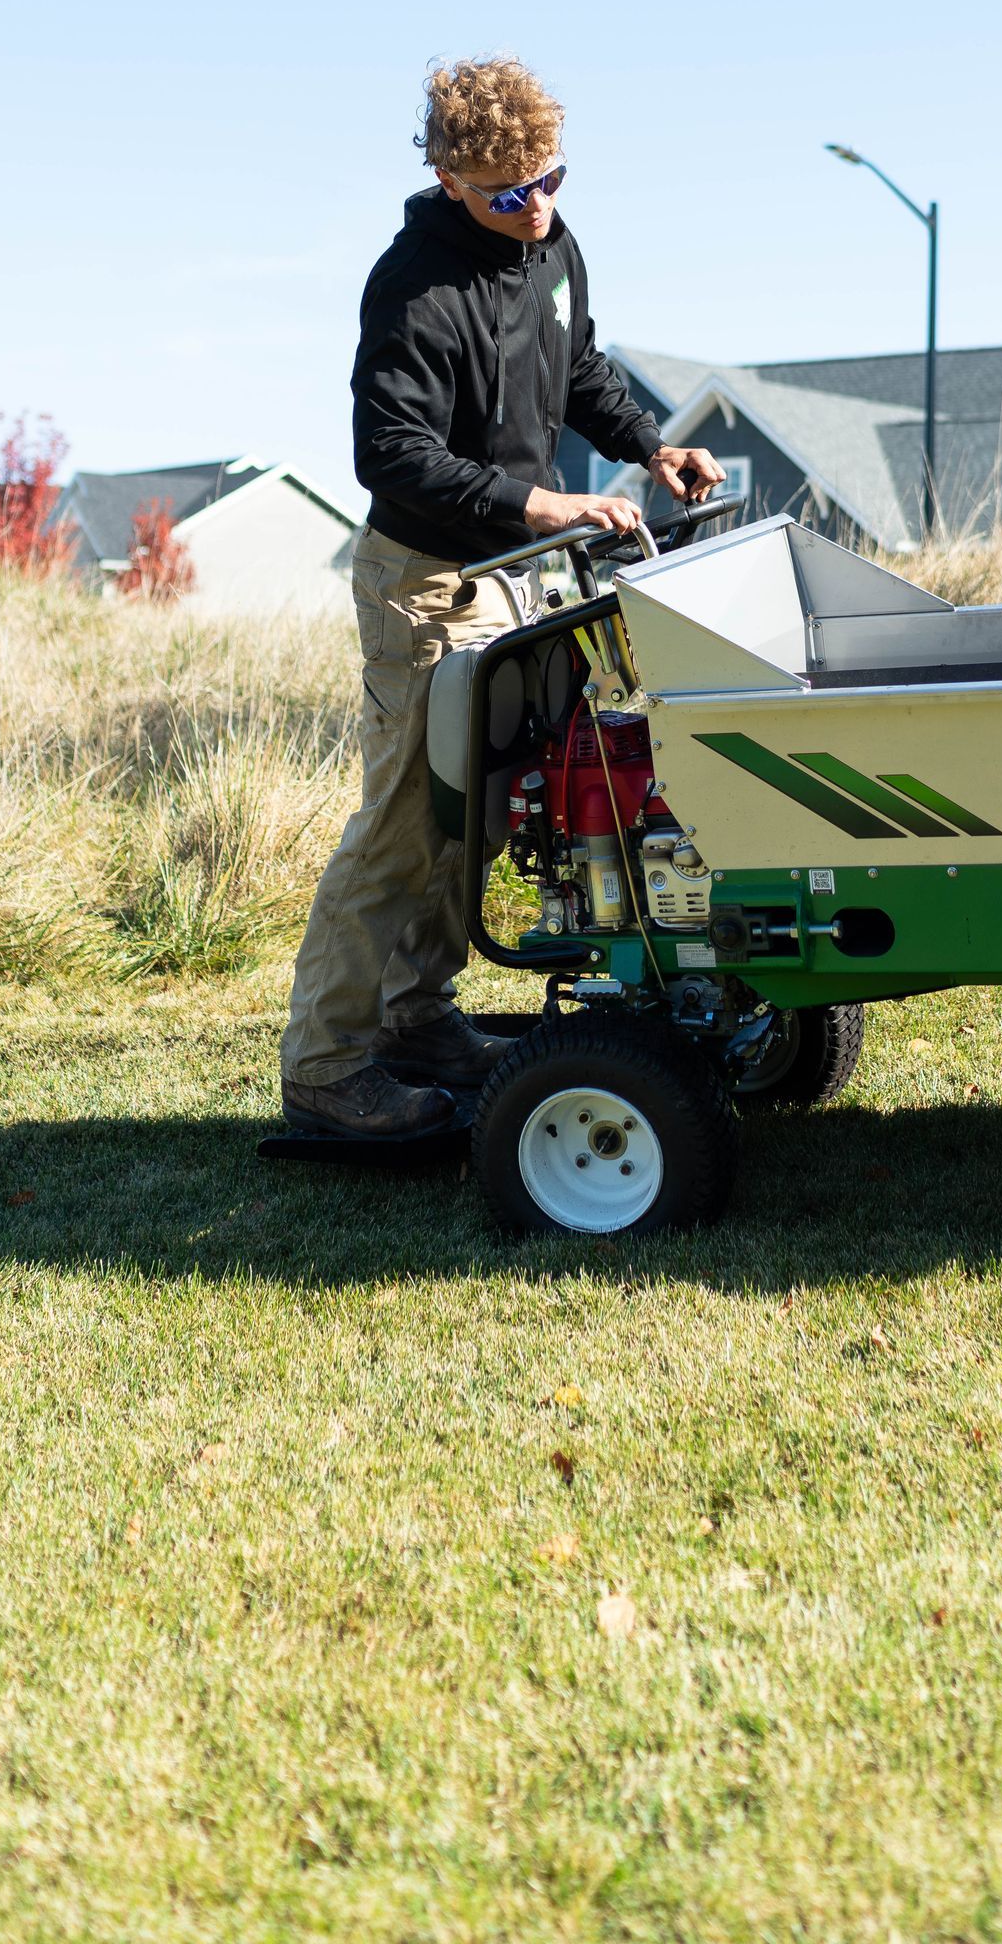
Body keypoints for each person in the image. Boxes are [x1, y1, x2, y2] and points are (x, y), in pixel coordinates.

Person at [279, 56, 723, 1140]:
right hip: (427, 584)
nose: (539, 210)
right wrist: (547, 505)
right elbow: (393, 458)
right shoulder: (414, 285)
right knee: (399, 828)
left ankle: (417, 1023)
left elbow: (578, 369)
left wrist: (651, 448)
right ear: (449, 180)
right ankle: (328, 1072)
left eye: (552, 181)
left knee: (474, 817)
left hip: (514, 581)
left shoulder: (553, 248)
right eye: (510, 195)